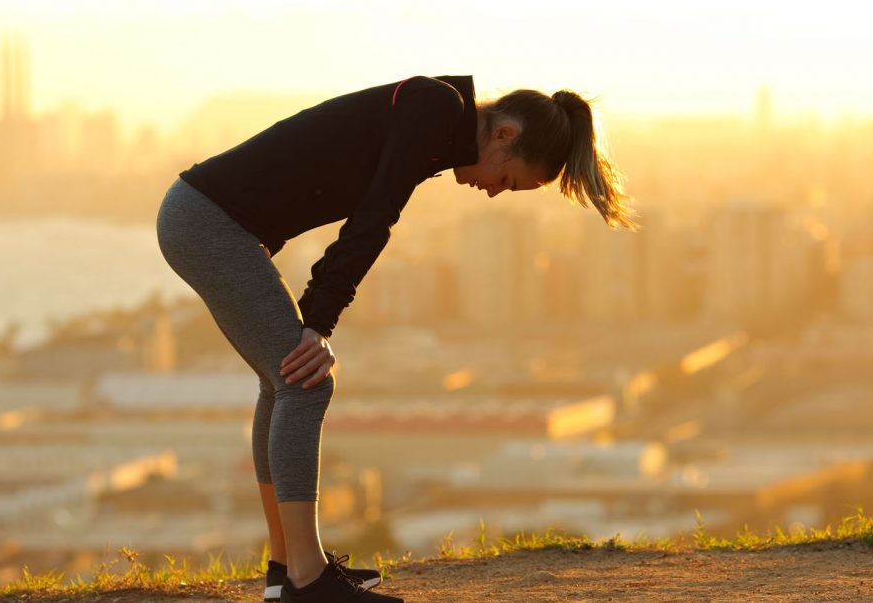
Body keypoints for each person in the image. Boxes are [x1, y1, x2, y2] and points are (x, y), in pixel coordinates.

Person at [155, 74, 638, 602]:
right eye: (511, 181)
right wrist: (318, 325)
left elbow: (367, 212)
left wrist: (316, 318)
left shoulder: (436, 120)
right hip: (209, 222)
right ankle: (306, 580)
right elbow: (374, 218)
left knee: (284, 380)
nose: (496, 192)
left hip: (208, 219)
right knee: (306, 382)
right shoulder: (434, 107)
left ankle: (287, 569)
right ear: (504, 136)